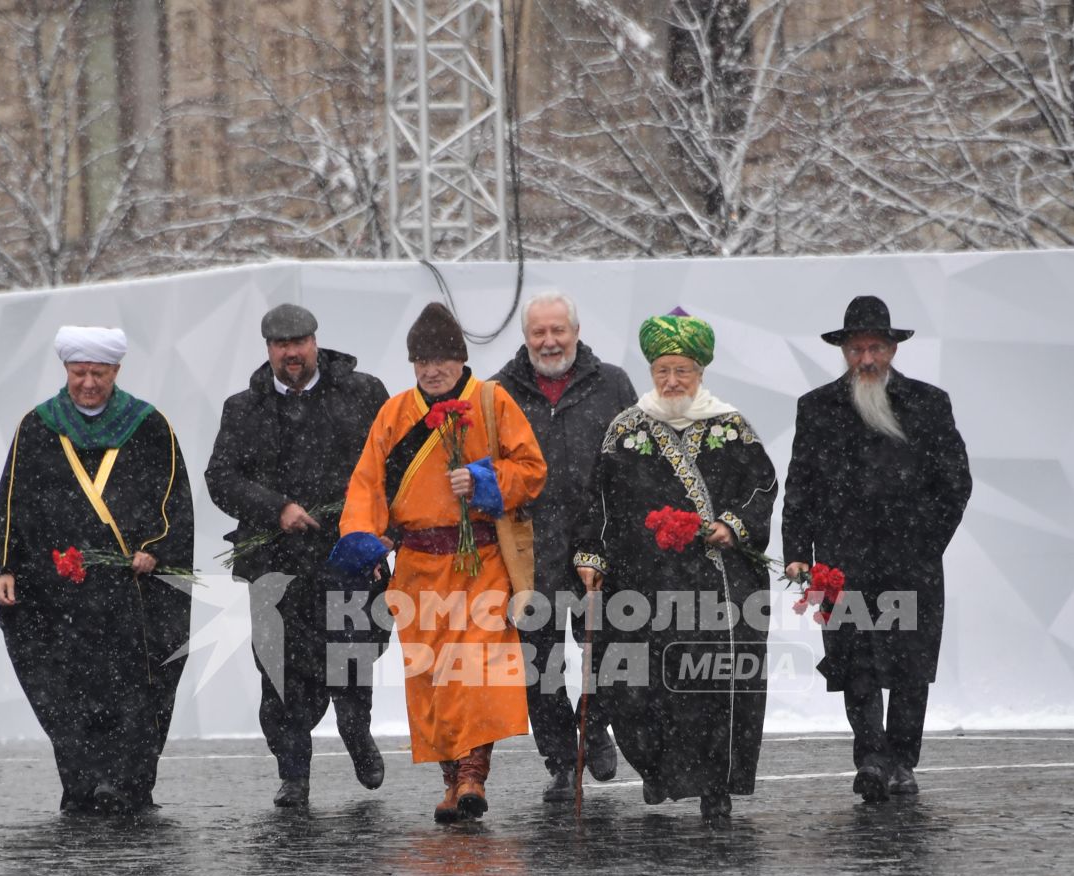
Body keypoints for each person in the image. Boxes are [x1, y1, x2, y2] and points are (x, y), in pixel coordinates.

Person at [333, 302, 548, 823]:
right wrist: (361, 535)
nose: (432, 370)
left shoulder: (492, 402)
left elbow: (532, 469)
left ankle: (474, 774)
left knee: (476, 672)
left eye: (442, 360)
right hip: (417, 564)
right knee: (432, 678)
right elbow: (367, 482)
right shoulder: (394, 413)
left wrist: (485, 481)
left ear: (460, 360)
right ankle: (451, 781)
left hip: (482, 560)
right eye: (422, 361)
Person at [572, 310, 778, 824]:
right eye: (663, 370)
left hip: (714, 583)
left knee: (710, 687)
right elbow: (596, 500)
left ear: (700, 371)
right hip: (641, 585)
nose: (671, 381)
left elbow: (763, 488)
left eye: (682, 370)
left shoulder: (731, 428)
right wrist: (592, 557)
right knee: (636, 691)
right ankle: (658, 772)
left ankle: (715, 786)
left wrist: (733, 524)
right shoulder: (625, 430)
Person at [0, 325, 194, 814]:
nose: (87, 383)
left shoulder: (148, 426)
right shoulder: (38, 427)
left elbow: (174, 497)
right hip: (61, 591)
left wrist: (154, 548)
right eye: (79, 373)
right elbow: (13, 500)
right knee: (68, 688)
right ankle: (82, 783)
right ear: (66, 371)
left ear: (116, 372)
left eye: (98, 373)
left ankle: (131, 784)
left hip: (131, 590)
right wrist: (4, 564)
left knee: (138, 688)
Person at [782, 296, 972, 803]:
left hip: (912, 562)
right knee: (854, 661)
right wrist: (798, 552)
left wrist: (925, 543)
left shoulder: (929, 404)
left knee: (910, 665)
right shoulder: (817, 407)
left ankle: (902, 761)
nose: (866, 359)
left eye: (876, 348)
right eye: (856, 349)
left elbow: (954, 484)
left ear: (892, 348)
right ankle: (870, 757)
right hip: (843, 564)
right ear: (844, 351)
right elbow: (799, 488)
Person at [206, 303, 392, 808]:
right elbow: (220, 479)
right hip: (276, 562)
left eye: (300, 341)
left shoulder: (364, 393)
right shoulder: (242, 408)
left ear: (316, 341)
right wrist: (277, 508)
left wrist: (380, 536)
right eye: (281, 344)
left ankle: (357, 735)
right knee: (280, 673)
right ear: (268, 349)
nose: (292, 352)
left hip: (348, 557)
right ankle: (294, 774)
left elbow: (394, 468)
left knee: (353, 661)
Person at [490, 289, 637, 801]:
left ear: (575, 332)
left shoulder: (613, 383)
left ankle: (594, 726)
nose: (549, 341)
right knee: (541, 665)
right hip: (531, 550)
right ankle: (559, 761)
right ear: (526, 337)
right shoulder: (498, 393)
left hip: (602, 541)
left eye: (558, 331)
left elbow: (636, 459)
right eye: (539, 333)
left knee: (614, 653)